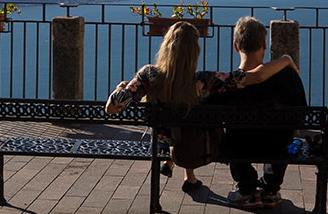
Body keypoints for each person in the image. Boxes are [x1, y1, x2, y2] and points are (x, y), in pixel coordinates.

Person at [105, 20, 298, 192]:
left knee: (178, 117)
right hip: (193, 144)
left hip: (162, 143)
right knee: (188, 115)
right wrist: (286, 60)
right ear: (194, 51)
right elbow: (258, 76)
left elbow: (110, 108)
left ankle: (175, 169)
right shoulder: (206, 81)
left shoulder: (148, 75)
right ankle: (189, 176)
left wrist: (121, 88)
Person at [205, 16, 308, 209]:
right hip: (277, 147)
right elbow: (300, 115)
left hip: (239, 148)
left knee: (231, 138)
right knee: (283, 135)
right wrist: (286, 60)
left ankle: (247, 190)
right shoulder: (288, 76)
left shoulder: (226, 84)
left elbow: (212, 119)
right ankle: (270, 189)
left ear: (236, 46)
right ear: (264, 43)